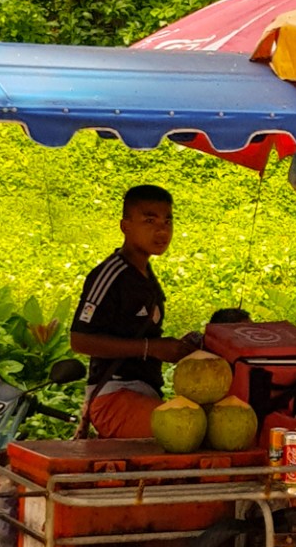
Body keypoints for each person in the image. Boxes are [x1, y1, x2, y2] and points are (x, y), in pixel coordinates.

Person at [70, 184, 199, 439]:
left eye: (168, 221)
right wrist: (151, 348)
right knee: (184, 435)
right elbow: (79, 339)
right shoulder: (111, 274)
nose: (162, 230)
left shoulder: (146, 276)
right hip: (113, 395)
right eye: (149, 220)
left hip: (145, 392)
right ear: (125, 226)